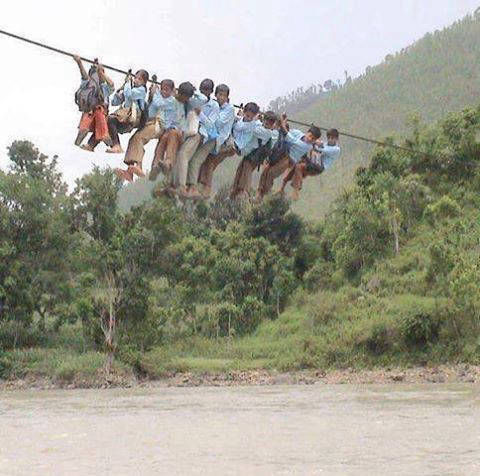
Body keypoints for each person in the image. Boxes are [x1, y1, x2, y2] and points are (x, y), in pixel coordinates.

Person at [114, 78, 176, 182]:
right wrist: (153, 93)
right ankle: (130, 172)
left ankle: (139, 166)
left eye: (167, 90)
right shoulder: (158, 96)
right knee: (133, 139)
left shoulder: (172, 100)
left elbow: (159, 103)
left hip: (158, 125)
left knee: (139, 138)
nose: (164, 92)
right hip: (149, 123)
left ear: (172, 90)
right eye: (162, 89)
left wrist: (155, 93)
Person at [82, 69, 149, 153]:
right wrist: (120, 92)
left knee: (110, 120)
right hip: (124, 118)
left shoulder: (142, 90)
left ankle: (117, 145)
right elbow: (114, 102)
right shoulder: (129, 88)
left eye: (139, 79)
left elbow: (129, 95)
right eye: (135, 78)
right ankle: (91, 144)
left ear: (144, 82)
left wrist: (128, 83)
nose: (136, 80)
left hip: (130, 119)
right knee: (104, 123)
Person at [256, 114, 321, 200]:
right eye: (310, 136)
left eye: (313, 139)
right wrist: (283, 122)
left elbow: (289, 137)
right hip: (282, 154)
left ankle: (264, 194)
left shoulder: (307, 146)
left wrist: (282, 124)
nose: (310, 139)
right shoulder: (298, 133)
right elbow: (287, 132)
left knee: (271, 173)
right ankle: (259, 192)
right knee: (265, 170)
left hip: (289, 160)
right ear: (307, 133)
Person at [149, 81, 197, 181]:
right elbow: (159, 105)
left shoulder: (188, 106)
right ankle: (156, 165)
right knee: (164, 139)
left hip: (180, 133)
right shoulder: (171, 101)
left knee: (173, 134)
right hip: (168, 130)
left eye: (187, 98)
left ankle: (168, 162)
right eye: (184, 96)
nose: (185, 99)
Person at [196, 84, 235, 198]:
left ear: (227, 97)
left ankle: (206, 189)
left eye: (224, 96)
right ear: (216, 95)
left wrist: (210, 114)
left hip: (220, 140)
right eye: (219, 95)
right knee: (205, 161)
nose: (221, 98)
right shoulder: (214, 105)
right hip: (211, 136)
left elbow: (218, 123)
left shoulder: (229, 109)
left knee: (209, 162)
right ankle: (199, 187)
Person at [230, 107, 278, 199]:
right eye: (266, 121)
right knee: (240, 170)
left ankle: (244, 192)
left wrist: (254, 120)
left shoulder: (267, 132)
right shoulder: (260, 126)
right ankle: (234, 192)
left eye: (270, 123)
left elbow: (252, 129)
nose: (267, 124)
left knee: (247, 170)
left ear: (273, 124)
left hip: (256, 156)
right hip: (251, 154)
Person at [279, 128, 341, 200]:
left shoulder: (336, 149)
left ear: (337, 139)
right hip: (314, 161)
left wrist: (315, 143)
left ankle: (295, 193)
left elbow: (321, 149)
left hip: (319, 167)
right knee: (296, 163)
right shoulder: (325, 143)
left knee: (299, 167)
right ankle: (282, 188)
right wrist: (316, 142)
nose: (330, 140)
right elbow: (318, 146)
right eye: (329, 138)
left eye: (332, 138)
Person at [73, 55, 114, 148]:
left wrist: (101, 72)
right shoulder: (89, 84)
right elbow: (84, 76)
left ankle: (104, 135)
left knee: (99, 111)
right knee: (90, 113)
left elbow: (111, 85)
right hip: (90, 114)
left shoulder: (105, 88)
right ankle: (82, 133)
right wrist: (79, 62)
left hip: (101, 116)